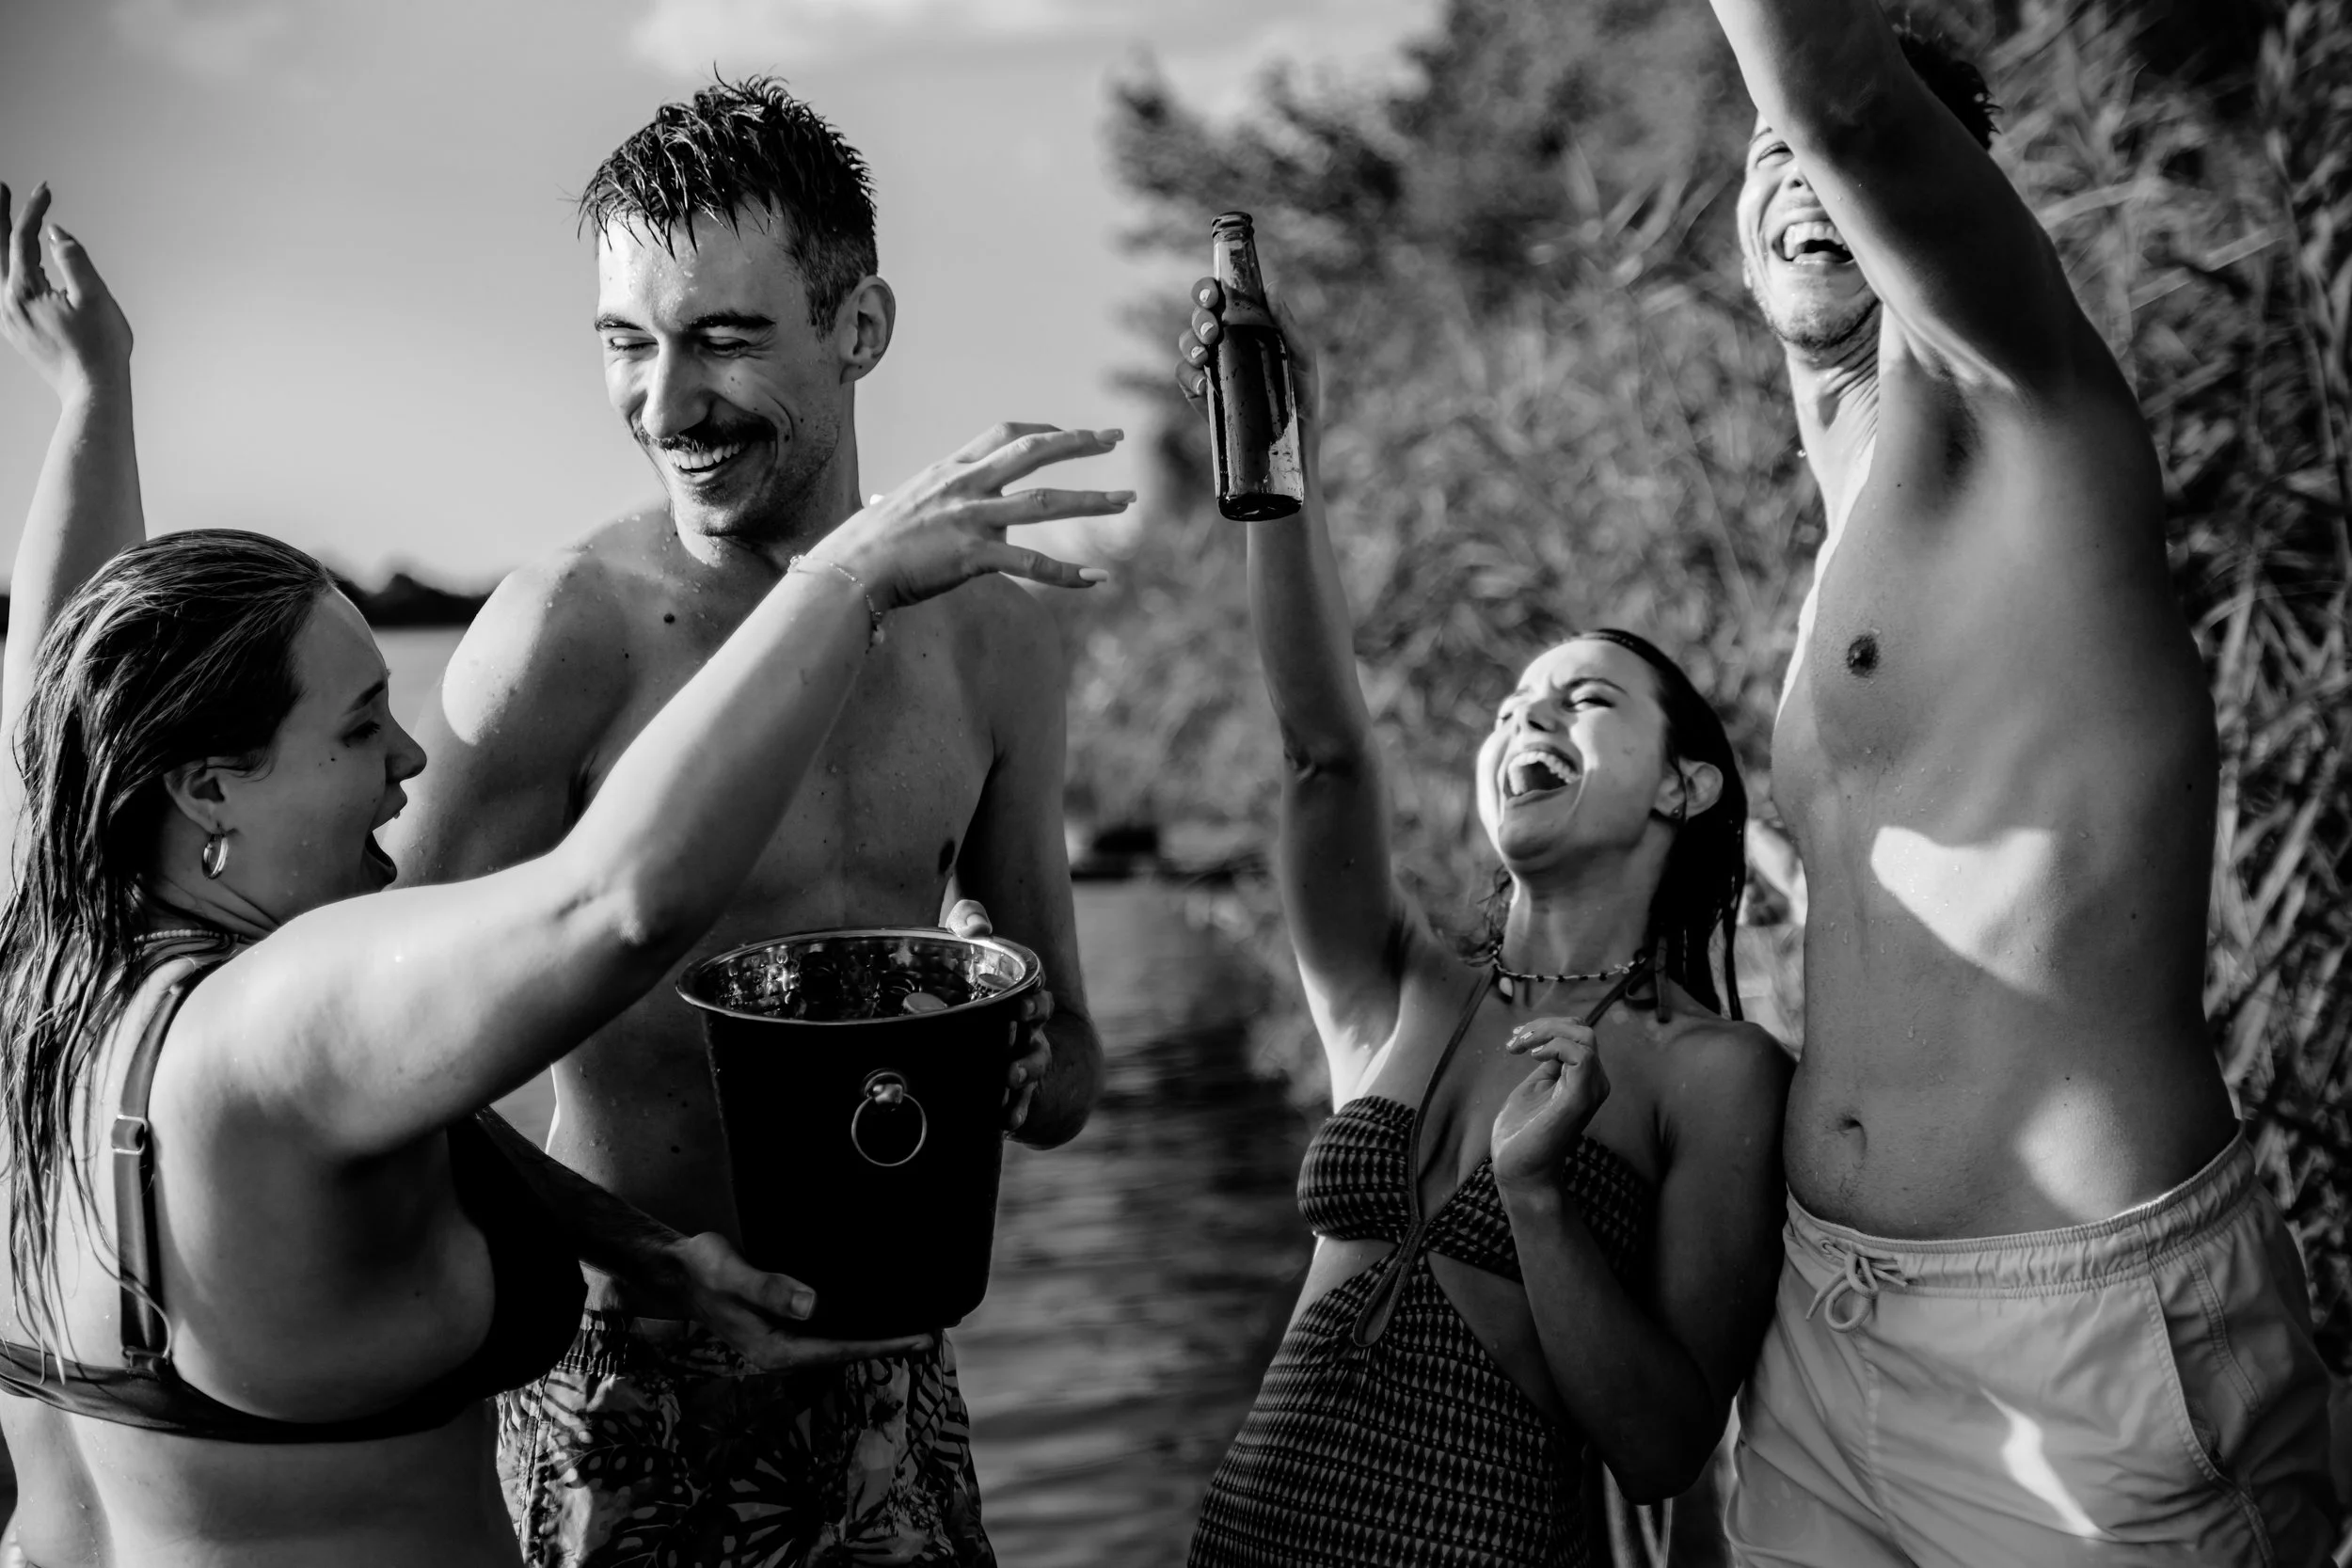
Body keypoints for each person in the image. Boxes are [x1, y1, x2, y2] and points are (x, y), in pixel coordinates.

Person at [0, 181, 1125, 1568]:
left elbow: (47, 689)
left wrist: (93, 393)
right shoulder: (275, 1029)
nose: (411, 753)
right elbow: (616, 898)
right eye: (360, 724)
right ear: (203, 784)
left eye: (722, 335)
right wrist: (846, 584)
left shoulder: (46, 955)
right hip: (615, 1435)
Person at [384, 77, 1108, 1567]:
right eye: (625, 344)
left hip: (894, 1383)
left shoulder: (994, 635)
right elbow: (373, 1058)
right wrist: (632, 1247)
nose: (665, 405)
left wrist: (1015, 1049)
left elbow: (1073, 1081)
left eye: (721, 336)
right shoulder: (566, 636)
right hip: (618, 1381)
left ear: (861, 327)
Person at [1697, 5, 2342, 1563]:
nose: (1800, 173)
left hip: (2076, 1347)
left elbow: (1843, 98)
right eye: (1764, 154)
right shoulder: (1855, 519)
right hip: (1832, 1328)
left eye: (1832, 155)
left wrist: (1828, 112)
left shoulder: (2016, 393)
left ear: (1937, 200)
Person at [1172, 283, 1791, 1566]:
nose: (1530, 719)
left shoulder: (1712, 1073)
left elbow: (1667, 1442)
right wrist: (1278, 452)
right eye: (1513, 706)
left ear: (1685, 785)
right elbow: (1322, 758)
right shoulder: (1400, 988)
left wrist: (1539, 1198)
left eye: (1586, 700)